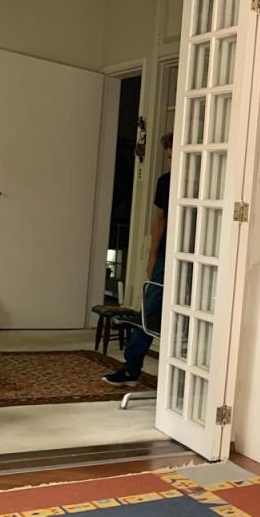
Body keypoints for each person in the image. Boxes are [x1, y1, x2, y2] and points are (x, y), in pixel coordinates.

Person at [103, 133, 172, 386]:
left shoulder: (206, 180)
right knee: (150, 307)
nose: (172, 161)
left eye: (175, 156)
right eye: (169, 157)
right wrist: (152, 255)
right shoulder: (166, 181)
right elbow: (160, 219)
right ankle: (131, 366)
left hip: (199, 256)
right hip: (166, 253)